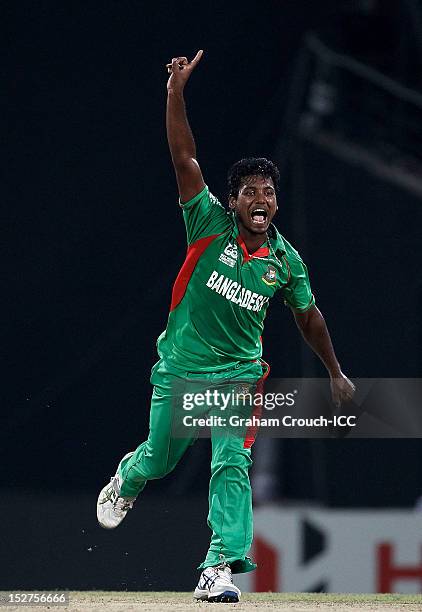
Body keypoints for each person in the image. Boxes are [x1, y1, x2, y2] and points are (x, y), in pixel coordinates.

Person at [96, 50, 355, 603]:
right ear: (232, 199)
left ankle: (218, 568)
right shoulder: (207, 223)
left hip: (237, 375)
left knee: (231, 460)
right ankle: (130, 478)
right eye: (250, 192)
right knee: (161, 457)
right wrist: (174, 93)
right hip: (181, 366)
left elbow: (308, 318)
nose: (261, 200)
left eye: (268, 193)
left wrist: (335, 371)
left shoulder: (286, 262)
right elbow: (183, 154)